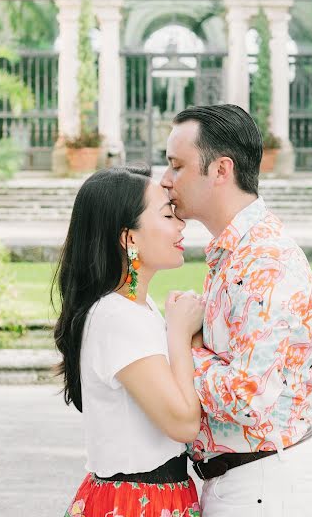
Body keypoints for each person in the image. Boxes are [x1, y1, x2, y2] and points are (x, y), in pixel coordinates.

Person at [161, 104, 312, 517]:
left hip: (266, 485)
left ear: (221, 170)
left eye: (177, 166)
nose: (165, 181)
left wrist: (179, 344)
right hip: (245, 481)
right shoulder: (235, 254)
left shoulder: (265, 260)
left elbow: (247, 396)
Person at [53, 165, 204, 517]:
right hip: (139, 503)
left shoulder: (134, 307)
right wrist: (178, 336)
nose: (181, 224)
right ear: (130, 238)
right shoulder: (117, 317)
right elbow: (182, 424)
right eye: (168, 215)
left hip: (153, 496)